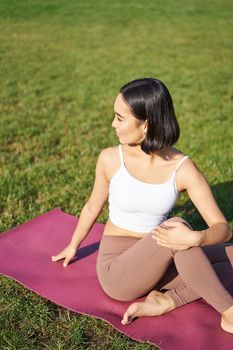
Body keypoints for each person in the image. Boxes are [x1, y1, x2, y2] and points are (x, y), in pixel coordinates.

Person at [52, 78, 233, 333]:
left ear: (146, 125)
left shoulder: (182, 168)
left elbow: (223, 229)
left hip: (162, 259)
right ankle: (229, 314)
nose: (113, 124)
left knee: (212, 247)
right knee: (175, 229)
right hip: (119, 272)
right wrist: (73, 245)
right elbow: (93, 205)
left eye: (120, 117)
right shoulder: (110, 159)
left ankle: (166, 300)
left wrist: (197, 237)